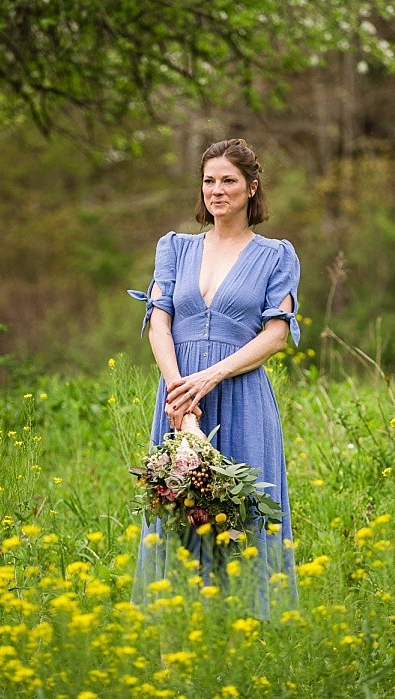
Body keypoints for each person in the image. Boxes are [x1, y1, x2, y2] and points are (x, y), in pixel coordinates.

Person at [128, 138, 301, 611]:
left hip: (240, 399)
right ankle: (177, 652)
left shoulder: (276, 255)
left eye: (228, 181)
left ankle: (246, 646)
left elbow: (276, 335)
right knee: (177, 517)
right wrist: (180, 393)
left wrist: (210, 377)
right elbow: (158, 321)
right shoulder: (175, 248)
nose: (217, 190)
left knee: (241, 521)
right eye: (209, 180)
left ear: (252, 188)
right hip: (180, 402)